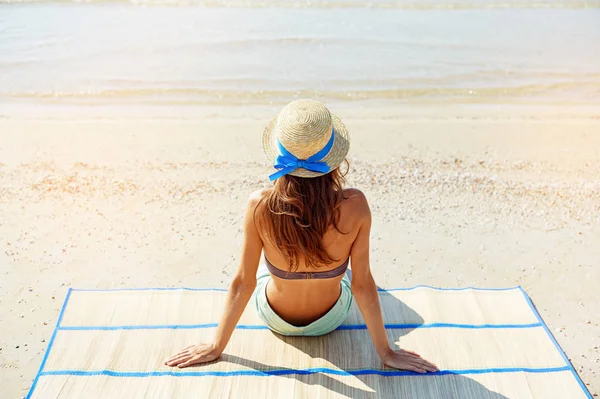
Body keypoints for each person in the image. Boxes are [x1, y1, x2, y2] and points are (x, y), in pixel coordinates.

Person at [164, 99, 438, 373]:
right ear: (334, 156)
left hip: (275, 317)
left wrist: (216, 346)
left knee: (263, 267)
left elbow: (243, 283)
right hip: (330, 319)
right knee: (350, 273)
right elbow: (363, 285)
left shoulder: (259, 205)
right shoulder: (356, 205)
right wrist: (387, 352)